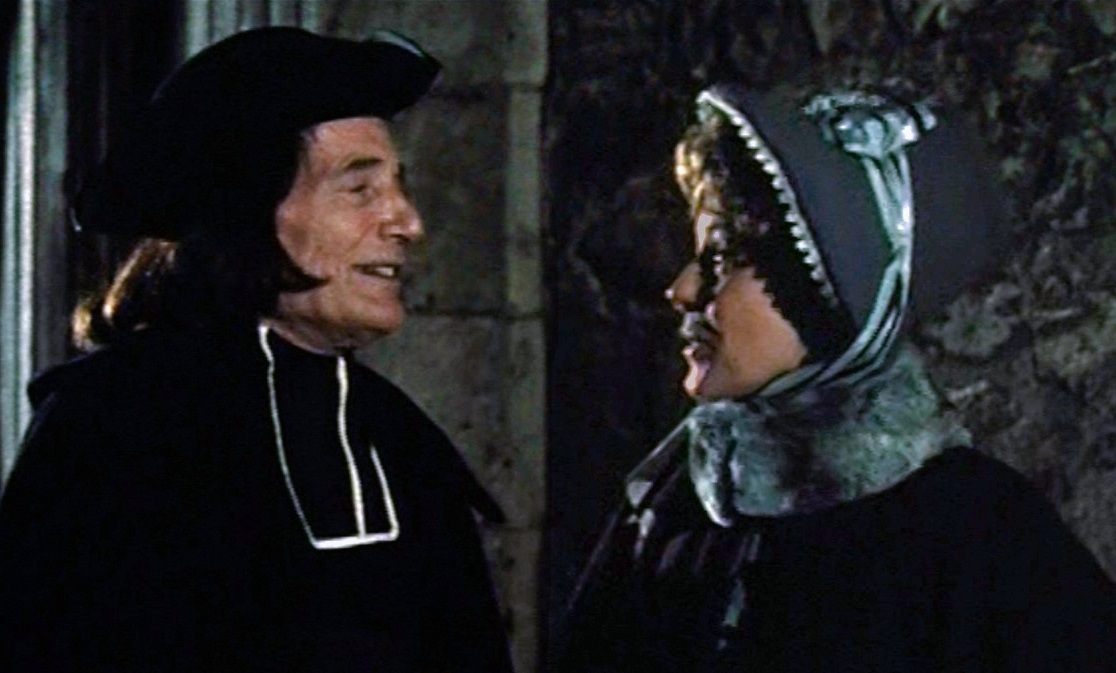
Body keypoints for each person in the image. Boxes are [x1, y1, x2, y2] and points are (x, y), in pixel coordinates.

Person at [0, 27, 513, 673]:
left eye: (398, 187)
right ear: (249, 211)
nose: (408, 222)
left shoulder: (398, 442)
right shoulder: (110, 424)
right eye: (360, 190)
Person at [554, 83, 1116, 672]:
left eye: (725, 257)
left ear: (835, 287)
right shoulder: (678, 501)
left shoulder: (978, 539)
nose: (683, 289)